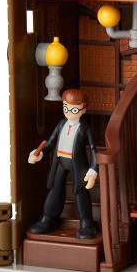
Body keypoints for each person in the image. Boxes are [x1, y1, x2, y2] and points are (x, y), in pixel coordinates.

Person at [27, 89, 99, 240]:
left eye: (74, 109)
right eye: (66, 107)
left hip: (77, 164)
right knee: (55, 189)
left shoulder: (85, 128)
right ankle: (48, 218)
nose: (69, 112)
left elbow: (93, 150)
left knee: (80, 191)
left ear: (83, 110)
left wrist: (93, 170)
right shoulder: (61, 124)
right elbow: (51, 142)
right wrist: (38, 153)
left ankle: (86, 223)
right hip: (59, 161)